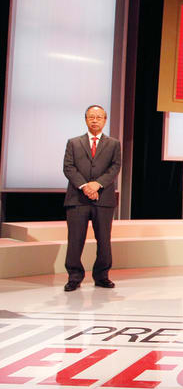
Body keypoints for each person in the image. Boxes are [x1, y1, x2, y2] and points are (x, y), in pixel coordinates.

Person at [63, 105, 122, 292]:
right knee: (75, 239)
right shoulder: (73, 142)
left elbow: (115, 167)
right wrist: (85, 186)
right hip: (77, 199)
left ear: (105, 120)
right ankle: (74, 277)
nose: (95, 120)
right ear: (86, 119)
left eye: (99, 117)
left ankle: (102, 276)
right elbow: (69, 168)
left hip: (103, 198)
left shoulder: (114, 144)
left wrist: (97, 185)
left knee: (104, 239)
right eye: (91, 117)